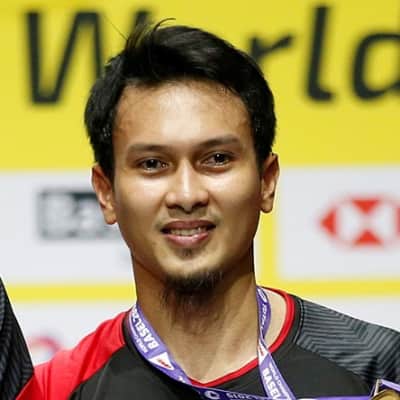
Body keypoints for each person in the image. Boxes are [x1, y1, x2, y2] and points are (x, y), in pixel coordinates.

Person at [9, 22, 400, 399]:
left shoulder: (381, 372)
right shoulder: (54, 392)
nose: (186, 194)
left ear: (266, 181)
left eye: (217, 159)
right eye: (152, 164)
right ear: (106, 193)